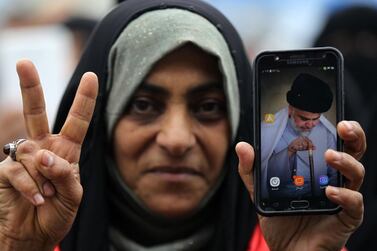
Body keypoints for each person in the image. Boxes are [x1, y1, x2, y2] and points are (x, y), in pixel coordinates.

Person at [0, 1, 366, 251]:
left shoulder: (285, 241)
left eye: (208, 107)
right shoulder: (31, 234)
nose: (176, 140)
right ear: (100, 124)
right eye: (143, 105)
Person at [261, 73, 337, 199]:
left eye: (316, 119)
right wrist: (289, 151)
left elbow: (334, 174)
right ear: (291, 109)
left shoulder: (327, 134)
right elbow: (264, 173)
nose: (310, 125)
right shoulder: (268, 131)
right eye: (304, 118)